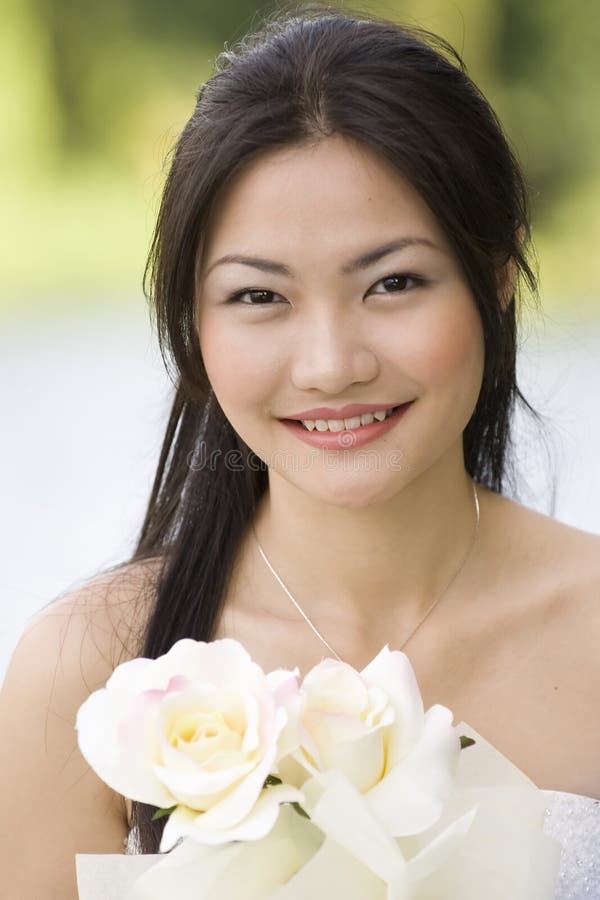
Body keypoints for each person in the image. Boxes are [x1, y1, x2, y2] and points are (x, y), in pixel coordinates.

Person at [1, 4, 599, 898]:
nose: (331, 366)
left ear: (499, 278)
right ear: (191, 322)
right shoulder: (83, 674)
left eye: (393, 283)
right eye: (258, 297)